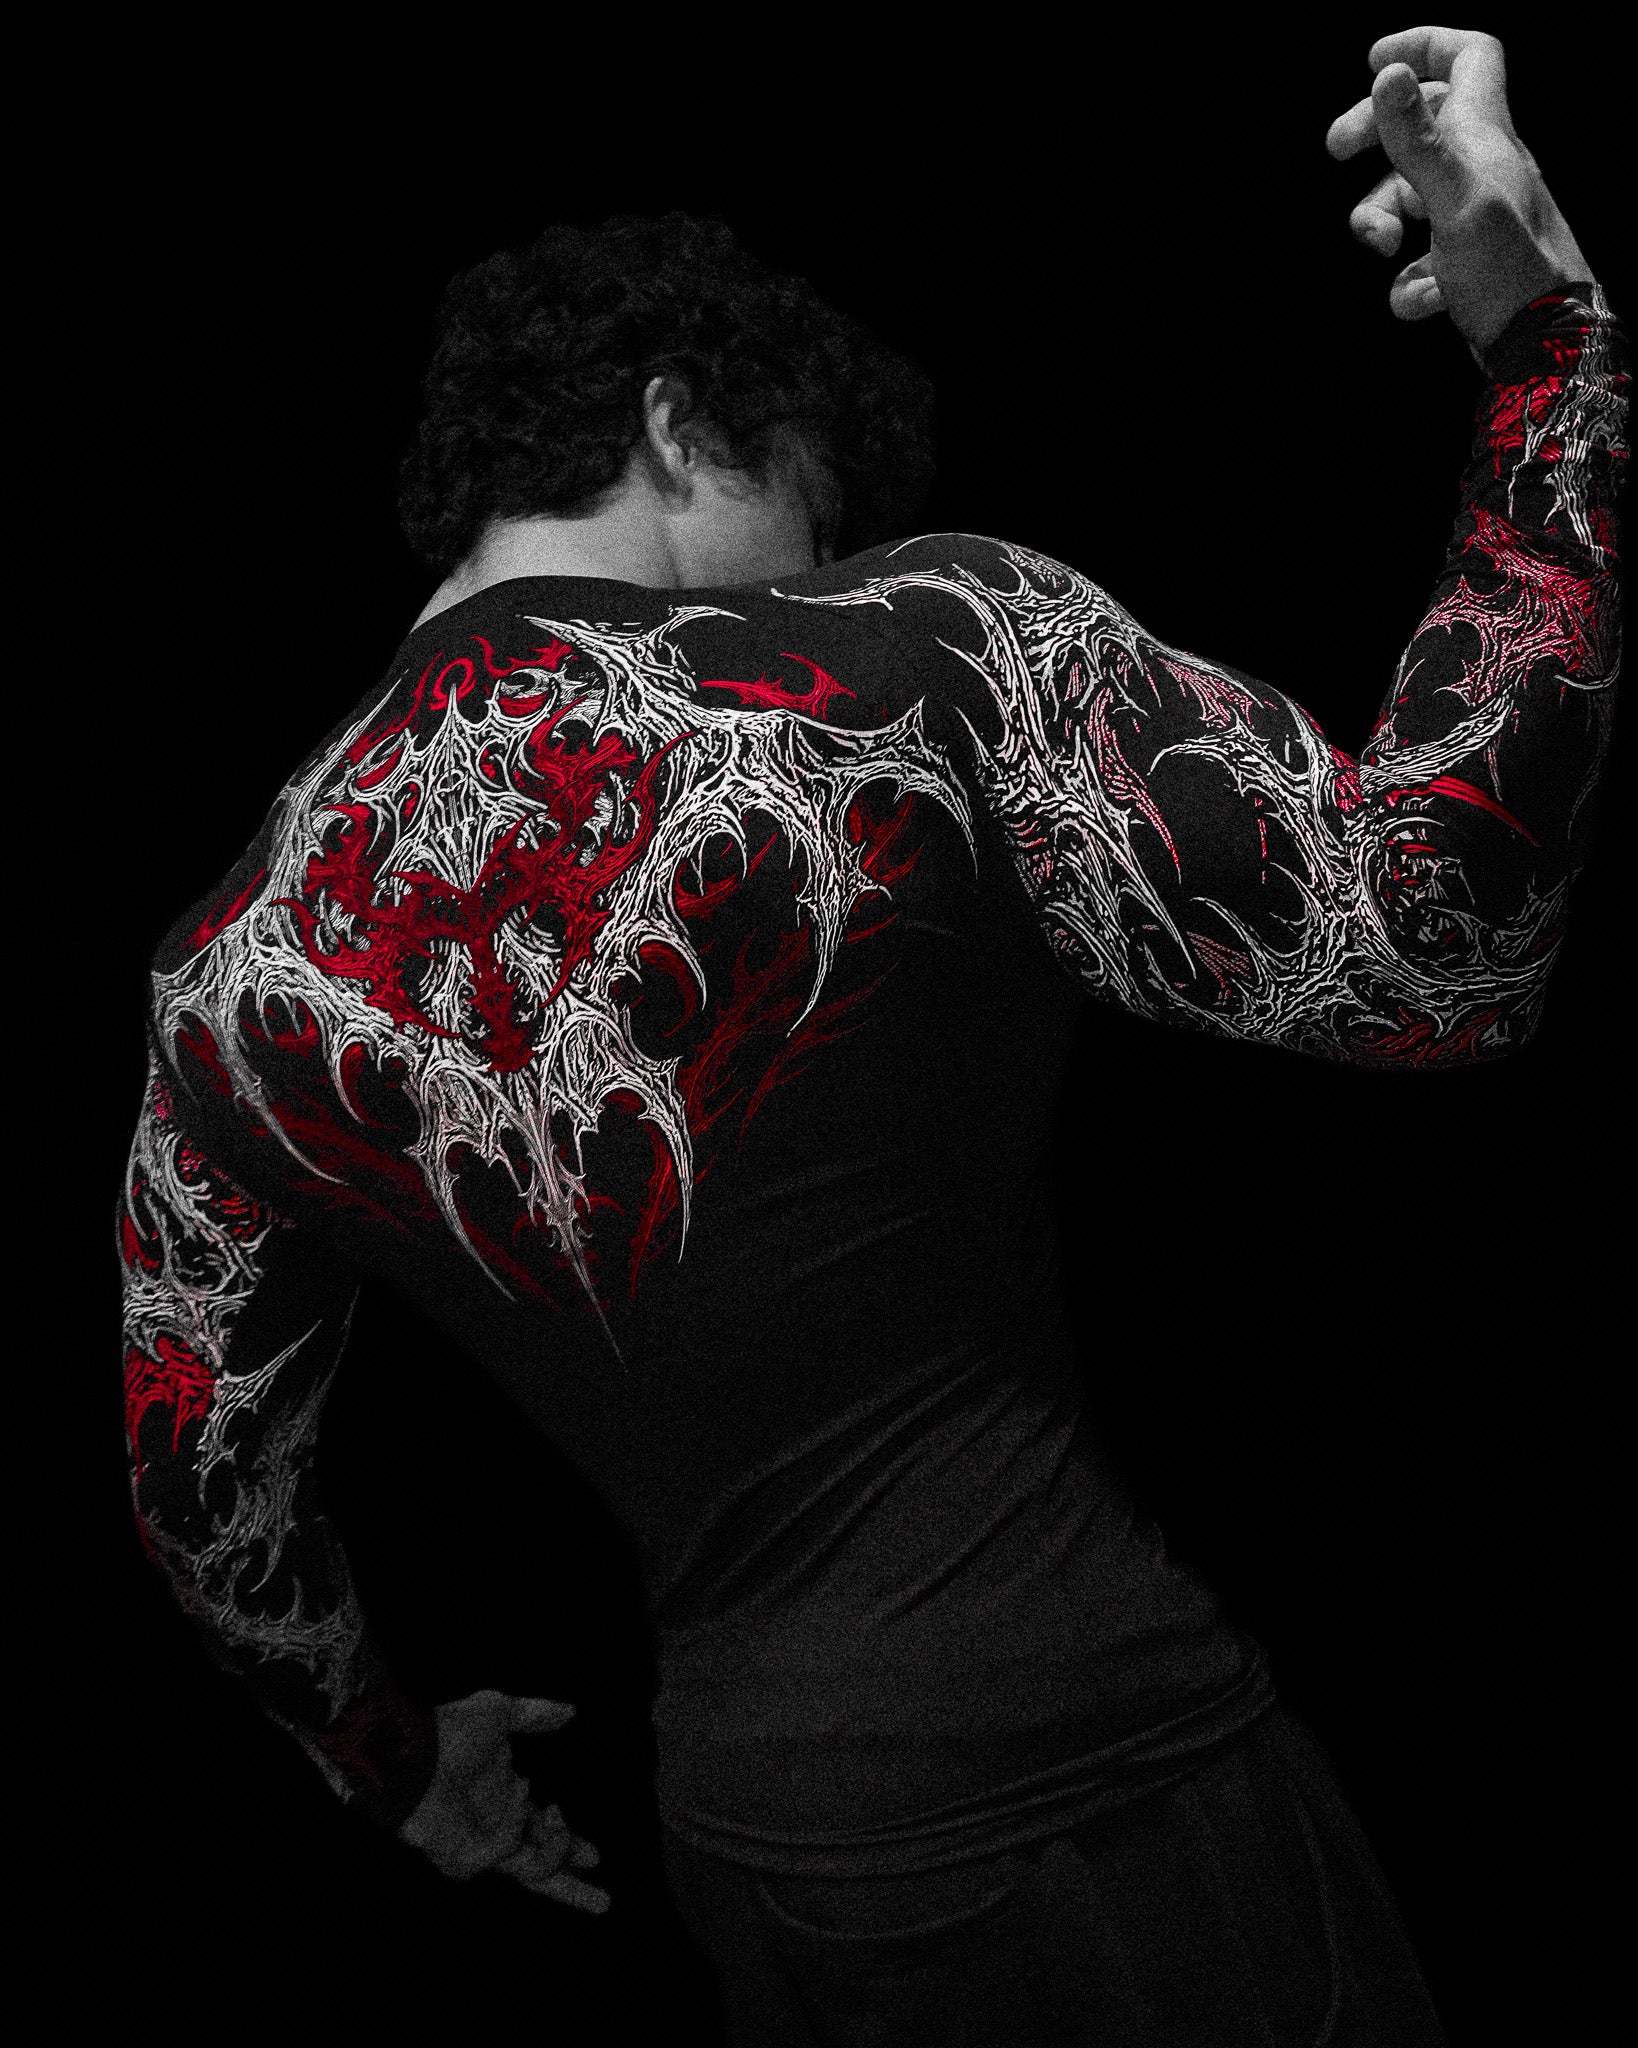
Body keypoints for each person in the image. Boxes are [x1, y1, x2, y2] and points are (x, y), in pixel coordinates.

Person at [114, 24, 1624, 2044]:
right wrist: (1549, 360)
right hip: (1099, 1781)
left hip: (767, 1860)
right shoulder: (918, 655)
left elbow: (206, 1501)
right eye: (807, 513)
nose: (817, 572)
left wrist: (394, 1760)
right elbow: (1441, 949)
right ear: (677, 419)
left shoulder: (223, 978)